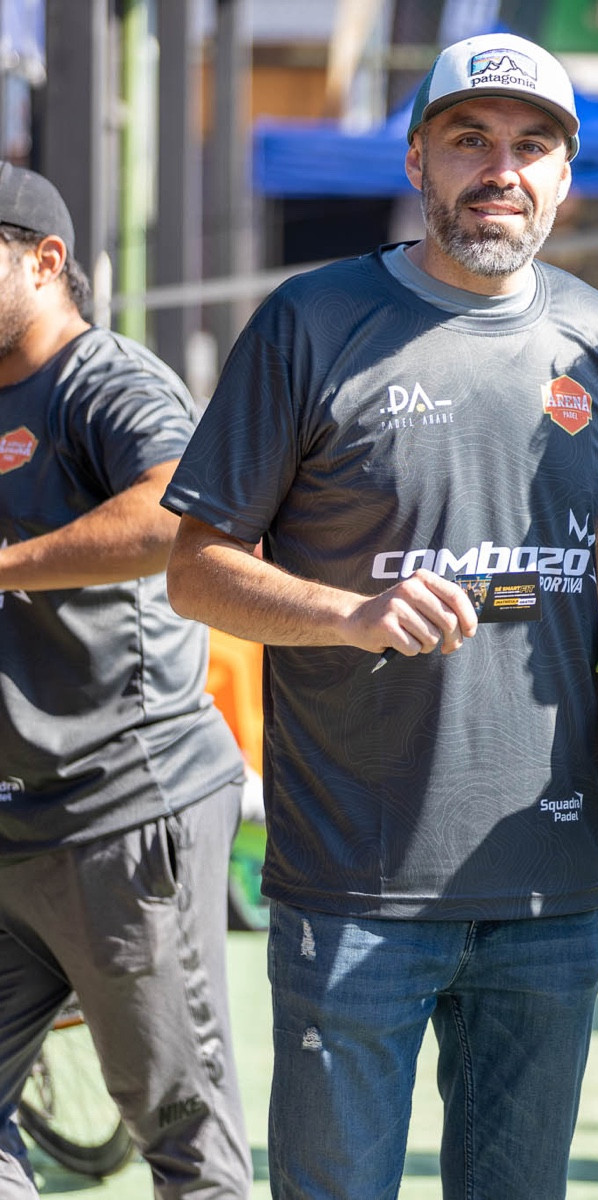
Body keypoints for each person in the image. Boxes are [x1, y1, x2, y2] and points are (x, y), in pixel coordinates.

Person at [160, 33, 598, 1199]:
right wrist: (348, 613)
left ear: (565, 175)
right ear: (418, 158)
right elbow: (196, 570)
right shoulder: (311, 319)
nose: (501, 170)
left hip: (545, 882)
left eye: (531, 146)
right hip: (356, 887)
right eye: (470, 140)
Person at [0, 166, 252, 1197]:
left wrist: (5, 565)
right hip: (15, 825)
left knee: (186, 1145)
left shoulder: (104, 381)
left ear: (45, 261)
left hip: (125, 811)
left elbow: (174, 511)